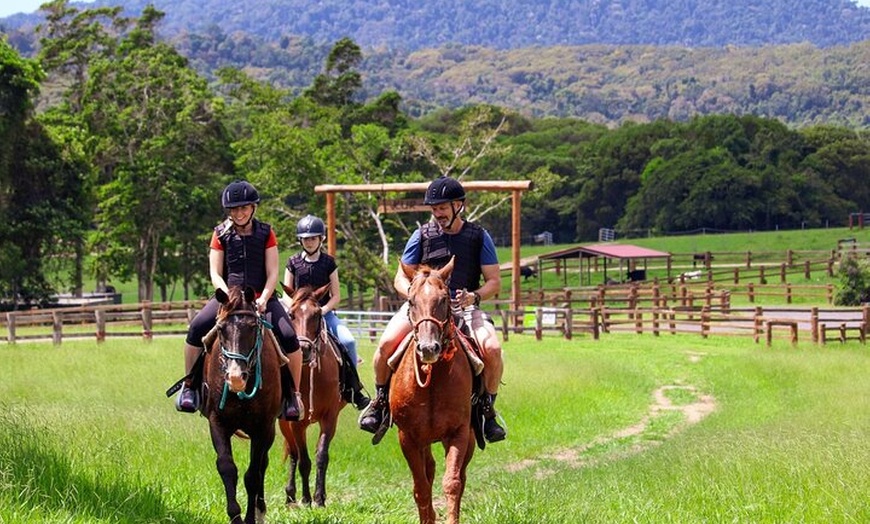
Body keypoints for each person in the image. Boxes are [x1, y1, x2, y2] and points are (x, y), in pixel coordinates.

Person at [359, 176, 507, 444]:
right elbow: (399, 277)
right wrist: (414, 296)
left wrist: (474, 296)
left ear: (458, 205)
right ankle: (380, 403)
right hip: (423, 309)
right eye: (434, 208)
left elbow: (494, 281)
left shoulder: (478, 236)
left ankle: (487, 410)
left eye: (442, 208)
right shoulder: (421, 235)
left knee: (493, 349)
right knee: (385, 344)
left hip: (463, 307)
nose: (437, 214)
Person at [175, 180, 304, 420]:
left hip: (260, 296)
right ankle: (190, 387)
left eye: (244, 208)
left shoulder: (266, 232)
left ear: (253, 207)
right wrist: (226, 297)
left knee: (289, 337)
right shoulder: (220, 233)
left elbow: (273, 272)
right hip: (229, 297)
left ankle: (292, 395)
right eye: (234, 209)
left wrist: (265, 298)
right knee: (196, 328)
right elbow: (215, 271)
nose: (239, 213)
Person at [281, 214, 371, 410]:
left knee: (348, 341)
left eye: (313, 238)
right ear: (300, 240)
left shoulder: (329, 262)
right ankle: (279, 389)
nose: (310, 242)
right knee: (277, 341)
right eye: (306, 238)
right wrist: (294, 308)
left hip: (323, 313)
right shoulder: (293, 262)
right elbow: (286, 292)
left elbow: (336, 295)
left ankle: (353, 389)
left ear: (321, 239)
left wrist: (322, 310)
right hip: (297, 316)